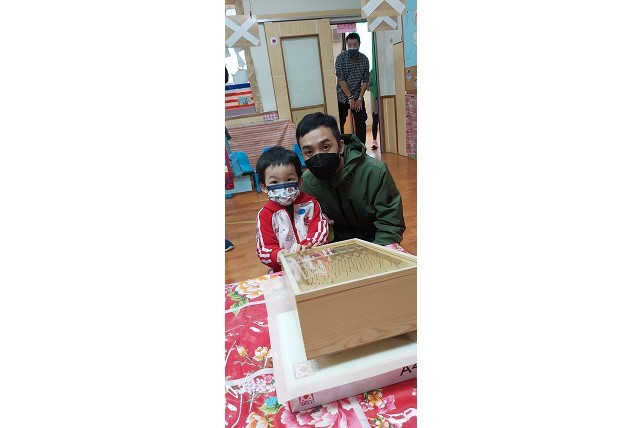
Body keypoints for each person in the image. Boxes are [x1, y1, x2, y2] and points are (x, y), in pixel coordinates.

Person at [296, 112, 405, 245]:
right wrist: (317, 224)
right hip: (333, 247)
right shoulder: (306, 184)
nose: (318, 157)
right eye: (309, 152)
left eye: (325, 147)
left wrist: (374, 254)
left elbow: (390, 225)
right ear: (302, 155)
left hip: (375, 243)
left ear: (341, 146)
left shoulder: (375, 172)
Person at [255, 146, 330, 272]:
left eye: (289, 179)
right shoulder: (265, 214)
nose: (283, 186)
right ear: (264, 187)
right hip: (284, 269)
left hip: (316, 263)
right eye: (274, 182)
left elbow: (320, 229)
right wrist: (276, 255)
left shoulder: (311, 204)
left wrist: (308, 244)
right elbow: (263, 248)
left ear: (299, 182)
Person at [335, 32, 370, 147]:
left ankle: (361, 149)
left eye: (355, 44)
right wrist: (350, 97)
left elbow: (365, 80)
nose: (352, 47)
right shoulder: (340, 58)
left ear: (359, 44)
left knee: (361, 123)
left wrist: (359, 98)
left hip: (358, 96)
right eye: (350, 45)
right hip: (342, 96)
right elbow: (341, 80)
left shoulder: (364, 59)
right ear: (347, 45)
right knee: (339, 123)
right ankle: (340, 149)